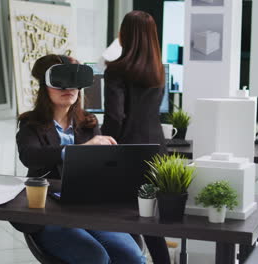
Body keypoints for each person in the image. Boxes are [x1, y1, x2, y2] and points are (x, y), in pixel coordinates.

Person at [15, 54, 146, 264]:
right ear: (44, 87)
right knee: (96, 258)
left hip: (89, 210)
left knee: (133, 257)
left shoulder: (88, 123)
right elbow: (30, 156)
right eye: (60, 83)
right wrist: (79, 150)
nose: (68, 88)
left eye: (74, 82)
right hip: (50, 214)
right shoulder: (31, 124)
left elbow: (100, 169)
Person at [101, 10, 171, 264]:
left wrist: (102, 144)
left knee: (126, 215)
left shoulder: (116, 70)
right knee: (149, 219)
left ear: (124, 34)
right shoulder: (159, 71)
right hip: (157, 151)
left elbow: (115, 117)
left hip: (126, 152)